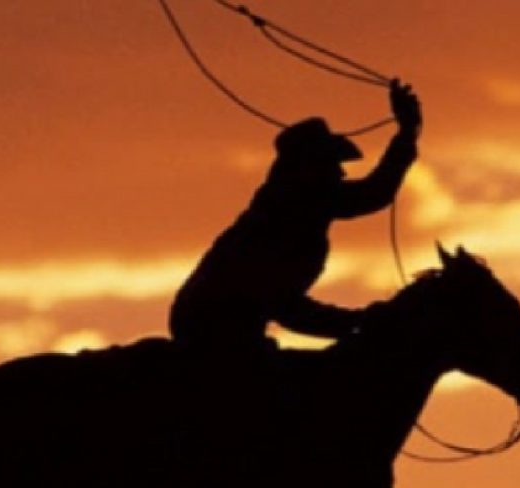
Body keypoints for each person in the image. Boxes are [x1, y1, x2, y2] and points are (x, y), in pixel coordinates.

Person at [169, 79, 422, 351]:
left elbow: (372, 193)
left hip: (214, 324)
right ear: (308, 167)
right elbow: (286, 307)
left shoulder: (286, 207)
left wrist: (407, 133)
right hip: (214, 328)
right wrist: (358, 321)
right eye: (331, 164)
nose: (341, 173)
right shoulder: (286, 214)